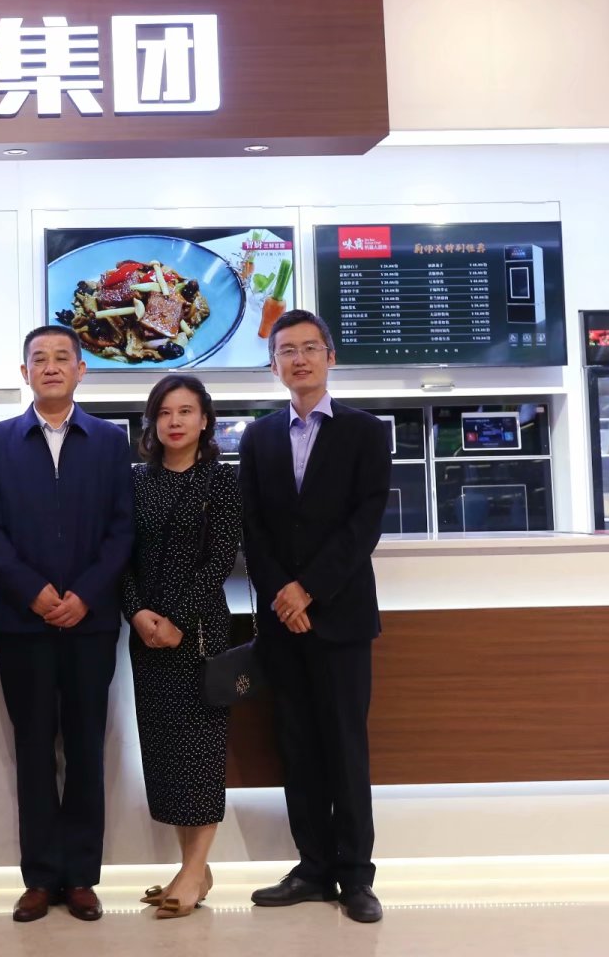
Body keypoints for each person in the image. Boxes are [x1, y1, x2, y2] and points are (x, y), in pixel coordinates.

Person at [0, 324, 133, 924]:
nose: (50, 367)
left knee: (87, 748)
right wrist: (36, 594)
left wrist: (84, 595)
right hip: (24, 623)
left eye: (62, 357)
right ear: (24, 373)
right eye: (38, 359)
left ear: (81, 369)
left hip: (91, 625)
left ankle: (82, 877)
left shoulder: (110, 442)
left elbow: (122, 529)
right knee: (35, 749)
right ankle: (40, 877)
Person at [238, 309, 390, 925]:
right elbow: (252, 525)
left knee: (345, 748)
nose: (298, 359)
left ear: (330, 356)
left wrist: (310, 590)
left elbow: (364, 524)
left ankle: (356, 877)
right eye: (286, 351)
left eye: (309, 348)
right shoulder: (258, 437)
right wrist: (283, 593)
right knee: (297, 748)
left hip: (341, 616)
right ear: (273, 364)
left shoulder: (366, 432)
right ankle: (312, 868)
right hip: (281, 620)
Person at [123, 374, 240, 919]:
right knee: (166, 752)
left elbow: (219, 561)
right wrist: (138, 612)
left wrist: (175, 619)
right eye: (165, 412)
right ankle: (194, 868)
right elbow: (122, 557)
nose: (175, 422)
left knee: (201, 751)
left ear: (205, 420)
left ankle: (194, 871)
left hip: (198, 634)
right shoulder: (136, 481)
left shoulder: (221, 481)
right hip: (146, 634)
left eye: (186, 411)